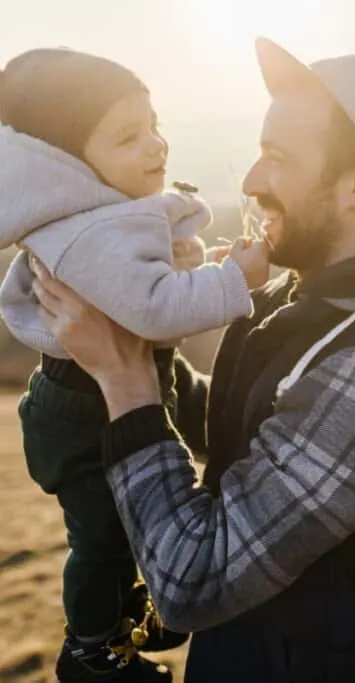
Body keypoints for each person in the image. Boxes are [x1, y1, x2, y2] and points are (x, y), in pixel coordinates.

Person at [31, 37, 355, 682]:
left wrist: (125, 379)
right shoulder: (311, 301)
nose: (252, 183)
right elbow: (253, 432)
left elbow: (191, 583)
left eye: (276, 159)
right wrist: (139, 343)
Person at [0, 47, 268, 682]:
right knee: (101, 538)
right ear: (68, 163)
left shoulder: (97, 214)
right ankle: (93, 648)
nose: (156, 145)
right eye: (128, 136)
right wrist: (236, 280)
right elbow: (152, 310)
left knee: (131, 516)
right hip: (83, 411)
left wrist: (199, 270)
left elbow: (140, 289)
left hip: (109, 389)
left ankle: (137, 605)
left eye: (153, 124)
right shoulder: (87, 233)